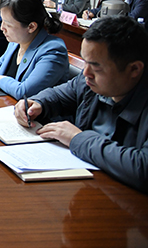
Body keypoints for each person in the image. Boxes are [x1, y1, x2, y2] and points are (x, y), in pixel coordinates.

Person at [14, 16, 148, 193]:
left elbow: (142, 168)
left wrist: (77, 139)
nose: (86, 73)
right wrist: (37, 103)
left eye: (96, 67)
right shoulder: (88, 82)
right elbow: (58, 95)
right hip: (87, 186)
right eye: (85, 62)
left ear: (134, 69)